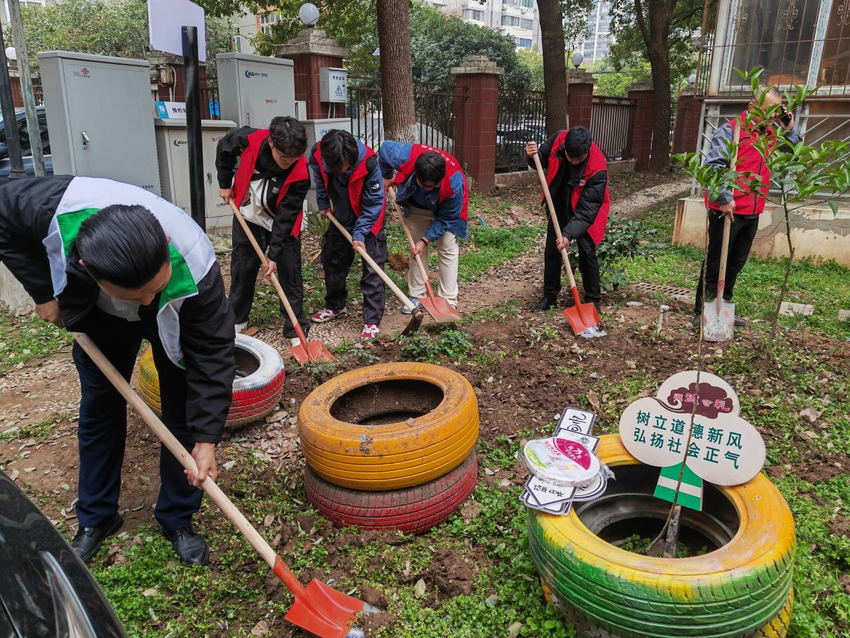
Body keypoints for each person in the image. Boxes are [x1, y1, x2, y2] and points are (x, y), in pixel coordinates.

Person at [0, 176, 236, 566]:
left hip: (176, 311)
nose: (146, 301)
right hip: (100, 314)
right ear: (85, 267)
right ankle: (97, 517)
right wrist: (43, 293)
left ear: (165, 247)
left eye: (152, 290)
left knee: (181, 410)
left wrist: (207, 439)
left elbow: (213, 357)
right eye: (135, 295)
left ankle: (177, 517)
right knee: (100, 406)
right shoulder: (46, 208)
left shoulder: (196, 266)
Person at [694, 87, 801, 327]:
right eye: (770, 110)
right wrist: (724, 198)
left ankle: (724, 308)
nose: (774, 115)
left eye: (778, 111)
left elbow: (791, 156)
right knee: (715, 261)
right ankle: (703, 312)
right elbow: (713, 167)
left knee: (735, 263)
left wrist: (789, 129)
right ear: (753, 107)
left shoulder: (769, 135)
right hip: (728, 209)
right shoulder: (731, 129)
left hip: (753, 209)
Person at [216, 116, 311, 344]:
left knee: (290, 274)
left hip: (282, 222)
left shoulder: (301, 174)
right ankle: (237, 320)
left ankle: (294, 327)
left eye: (295, 157)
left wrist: (274, 255)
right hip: (248, 214)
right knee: (243, 267)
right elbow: (224, 148)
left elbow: (287, 217)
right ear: (271, 143)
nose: (289, 161)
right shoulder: (249, 139)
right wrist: (224, 183)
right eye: (284, 156)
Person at [525, 126, 610, 335]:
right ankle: (549, 296)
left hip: (584, 208)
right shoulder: (559, 140)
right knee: (552, 250)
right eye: (570, 157)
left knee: (587, 251)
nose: (572, 162)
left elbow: (587, 211)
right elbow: (540, 159)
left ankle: (592, 300)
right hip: (559, 202)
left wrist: (569, 234)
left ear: (587, 152)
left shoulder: (598, 168)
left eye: (577, 160)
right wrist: (530, 155)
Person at [308, 129, 387, 339]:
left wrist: (360, 233)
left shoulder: (369, 163)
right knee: (333, 259)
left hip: (369, 216)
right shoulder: (318, 152)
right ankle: (336, 306)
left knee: (372, 266)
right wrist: (323, 202)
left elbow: (374, 203)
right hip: (342, 214)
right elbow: (318, 175)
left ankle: (371, 320)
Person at [378, 142, 468, 313]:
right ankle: (418, 295)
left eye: (431, 186)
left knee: (447, 247)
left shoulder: (453, 184)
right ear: (417, 174)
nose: (427, 188)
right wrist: (386, 177)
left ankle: (448, 298)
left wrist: (425, 240)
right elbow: (384, 149)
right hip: (418, 206)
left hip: (446, 209)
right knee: (416, 249)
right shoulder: (404, 156)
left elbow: (446, 218)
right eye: (423, 184)